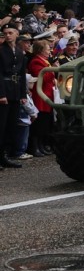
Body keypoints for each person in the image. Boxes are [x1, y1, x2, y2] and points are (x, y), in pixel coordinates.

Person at [0, 24, 28, 168]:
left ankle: (5, 155)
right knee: (2, 126)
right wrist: (1, 94)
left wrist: (23, 94)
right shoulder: (1, 50)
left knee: (11, 125)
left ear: (17, 33)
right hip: (5, 89)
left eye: (10, 32)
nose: (8, 35)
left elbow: (22, 74)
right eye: (5, 33)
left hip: (15, 91)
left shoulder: (19, 51)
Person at [28, 39, 56, 157]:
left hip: (48, 95)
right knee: (39, 123)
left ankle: (42, 145)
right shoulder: (36, 62)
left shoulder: (45, 61)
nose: (49, 50)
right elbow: (42, 77)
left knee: (45, 123)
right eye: (47, 48)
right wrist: (53, 69)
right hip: (40, 96)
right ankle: (34, 147)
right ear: (40, 50)